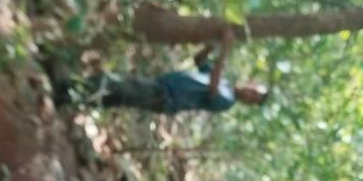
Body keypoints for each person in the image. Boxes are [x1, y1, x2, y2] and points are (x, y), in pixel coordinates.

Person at [50, 43, 268, 115]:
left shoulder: (227, 100)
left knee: (119, 87)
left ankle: (66, 89)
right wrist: (213, 45)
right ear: (251, 83)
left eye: (252, 98)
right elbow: (199, 59)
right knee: (117, 96)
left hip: (165, 98)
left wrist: (224, 51)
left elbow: (212, 89)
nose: (249, 94)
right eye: (253, 91)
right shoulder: (224, 81)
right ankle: (66, 98)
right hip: (162, 86)